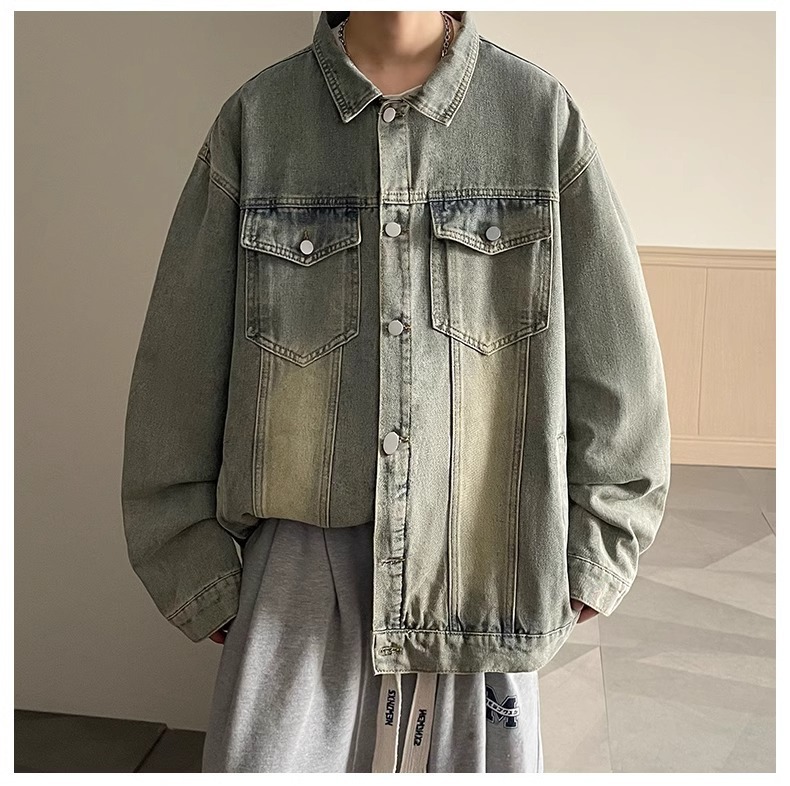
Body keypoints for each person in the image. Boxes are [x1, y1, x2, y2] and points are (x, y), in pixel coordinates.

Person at [121, 9, 671, 775]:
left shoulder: (539, 117)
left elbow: (617, 365)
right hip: (297, 585)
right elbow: (181, 362)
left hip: (484, 567)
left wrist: (595, 551)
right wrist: (192, 563)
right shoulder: (261, 119)